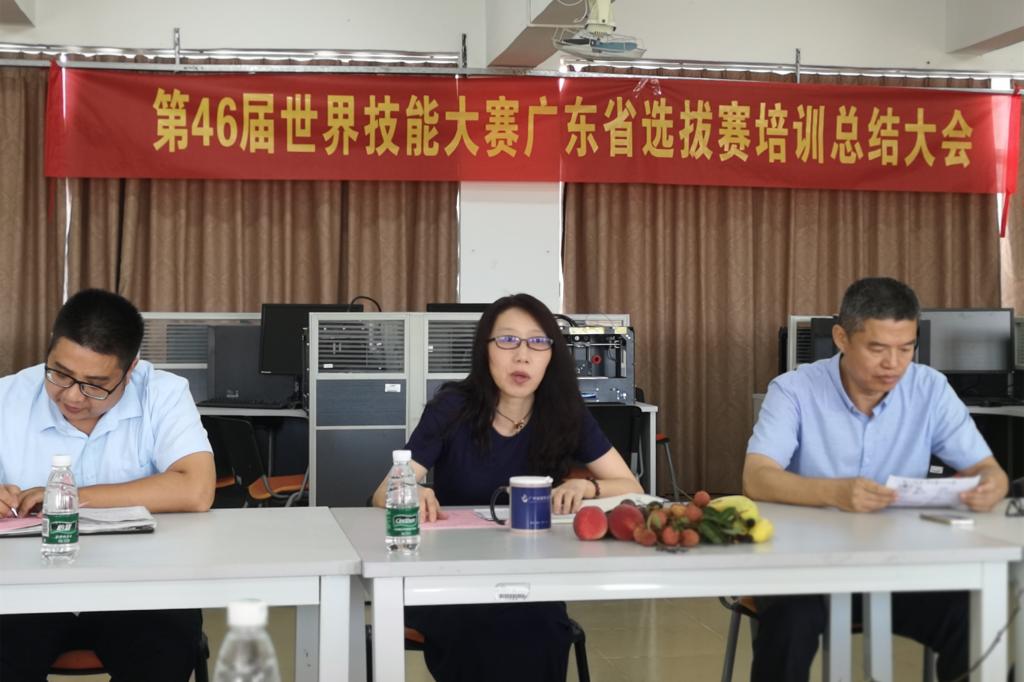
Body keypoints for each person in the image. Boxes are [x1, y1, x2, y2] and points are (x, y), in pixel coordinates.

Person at [743, 276, 1009, 682]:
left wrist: (991, 483)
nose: (893, 364)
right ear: (841, 338)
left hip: (899, 564)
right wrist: (835, 492)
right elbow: (757, 477)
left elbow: (986, 469)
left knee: (971, 615)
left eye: (906, 348)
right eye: (878, 349)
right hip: (803, 567)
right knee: (790, 622)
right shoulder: (795, 390)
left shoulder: (929, 388)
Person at [370, 292, 642, 682]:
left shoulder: (566, 413)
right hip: (451, 577)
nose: (522, 356)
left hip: (531, 577)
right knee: (484, 631)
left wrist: (588, 489)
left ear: (552, 354)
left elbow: (630, 486)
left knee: (541, 627)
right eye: (508, 340)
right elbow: (383, 492)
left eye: (537, 342)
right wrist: (416, 492)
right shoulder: (453, 407)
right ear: (485, 350)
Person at [0, 289, 216, 682]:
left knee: (165, 650)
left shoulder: (163, 394)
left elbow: (196, 489)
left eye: (95, 385)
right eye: (60, 373)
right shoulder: (7, 396)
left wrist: (67, 497)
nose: (72, 396)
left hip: (138, 585)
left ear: (130, 370)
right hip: (25, 587)